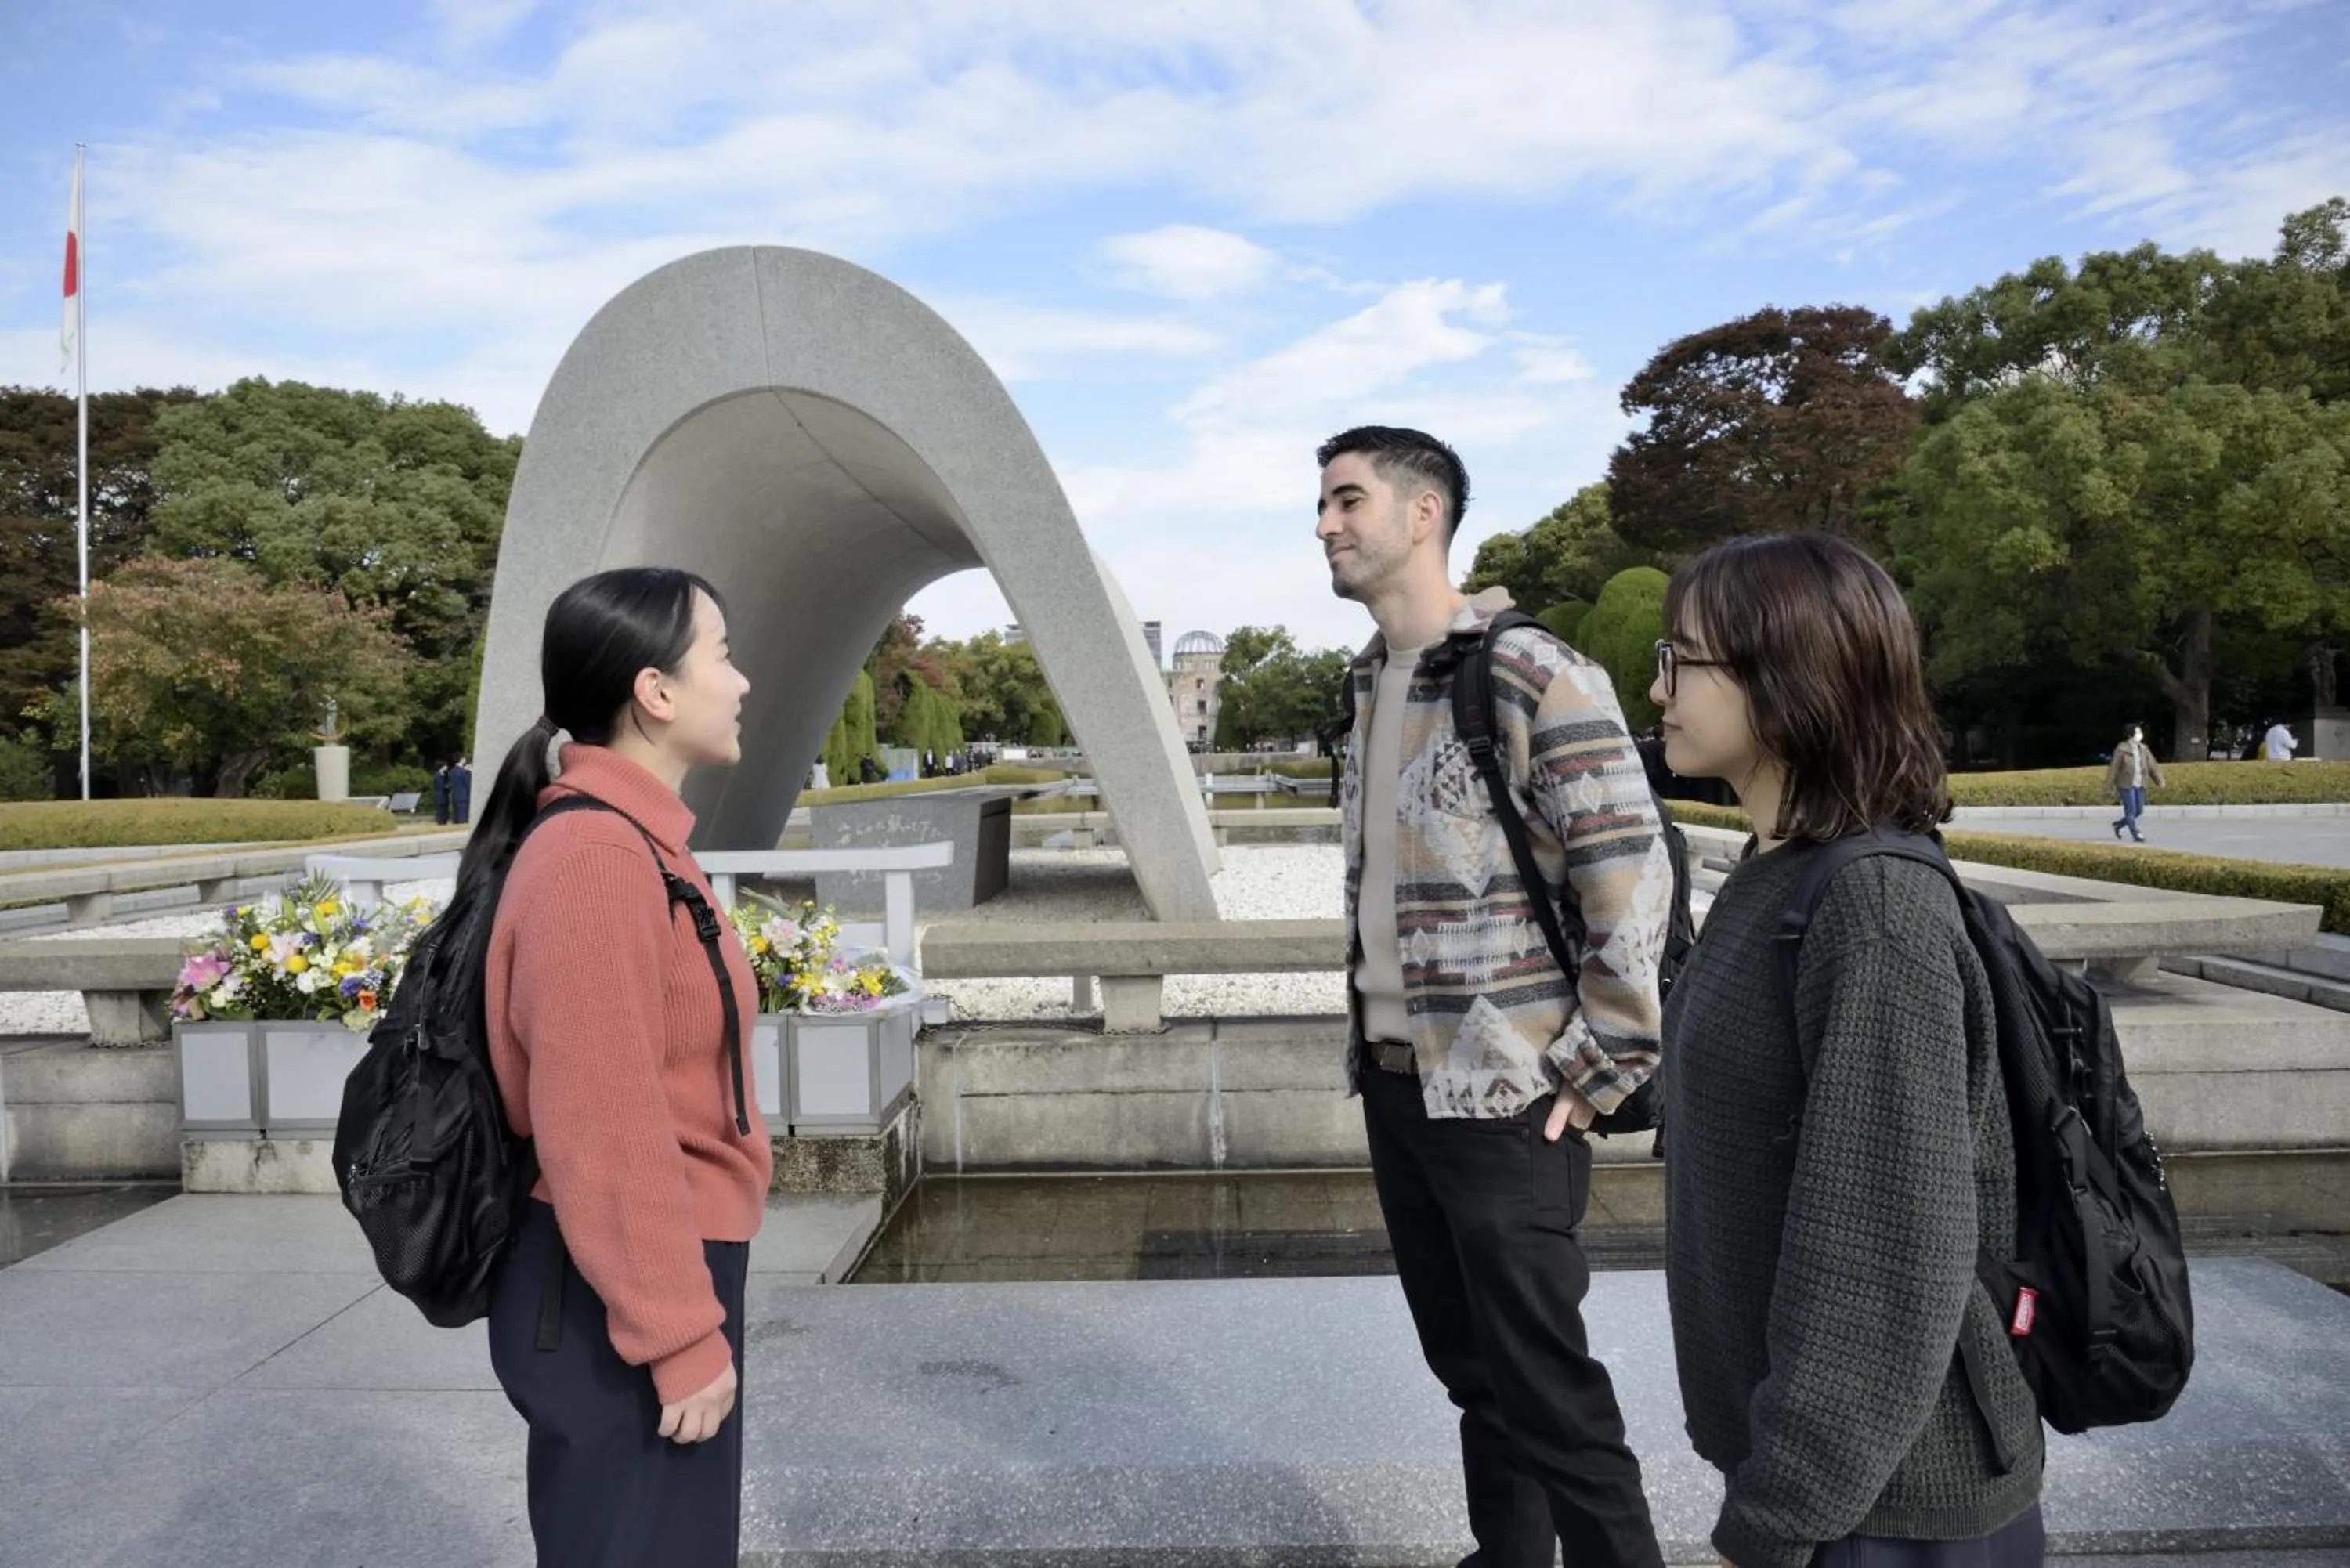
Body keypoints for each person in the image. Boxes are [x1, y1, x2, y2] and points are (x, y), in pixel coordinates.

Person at [1650, 532, 2044, 1568]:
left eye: (1680, 658)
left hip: (1889, 1505)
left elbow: (1885, 1249)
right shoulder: (1773, 872)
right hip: (1828, 1484)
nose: (1658, 688)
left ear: (1788, 680)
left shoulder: (1871, 908)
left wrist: (1777, 1515)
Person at [1316, 425, 1671, 1568]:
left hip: (1511, 1090)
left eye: (1346, 500)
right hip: (1396, 1081)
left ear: (1424, 513)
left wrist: (1599, 1061)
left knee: (1547, 1383)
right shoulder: (1370, 683)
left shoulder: (1531, 669)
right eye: (1322, 504)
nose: (1324, 524)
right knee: (1474, 1367)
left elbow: (1632, 874)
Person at [470, 566, 768, 1567]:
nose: (743, 682)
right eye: (722, 655)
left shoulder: (643, 844)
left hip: (646, 1271)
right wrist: (679, 1333)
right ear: (656, 692)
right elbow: (601, 1122)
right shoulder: (597, 859)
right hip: (619, 1289)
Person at [2106, 724, 2165, 843]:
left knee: (2139, 810)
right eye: (2137, 732)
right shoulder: (2122, 749)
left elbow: (2152, 765)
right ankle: (2136, 833)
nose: (2140, 735)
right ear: (2130, 735)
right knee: (2131, 810)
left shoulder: (2144, 749)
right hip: (2126, 784)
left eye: (2140, 732)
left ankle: (2118, 825)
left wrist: (2159, 780)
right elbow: (2114, 768)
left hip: (2140, 784)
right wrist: (2109, 787)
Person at [451, 755, 473, 824]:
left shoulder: (453, 771)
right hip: (464, 795)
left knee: (457, 816)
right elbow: (467, 783)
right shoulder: (463, 772)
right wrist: (470, 773)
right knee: (463, 817)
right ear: (461, 760)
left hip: (455, 795)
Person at [431, 761, 451, 826]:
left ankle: (445, 821)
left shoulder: (446, 774)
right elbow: (439, 786)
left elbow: (448, 782)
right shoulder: (437, 775)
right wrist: (446, 787)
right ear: (442, 767)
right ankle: (440, 822)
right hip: (440, 795)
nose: (447, 767)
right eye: (445, 766)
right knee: (440, 810)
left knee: (445, 809)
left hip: (445, 795)